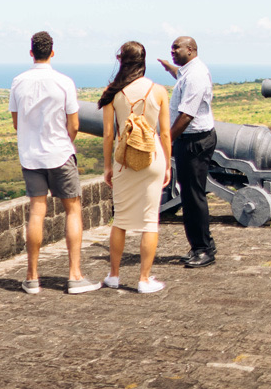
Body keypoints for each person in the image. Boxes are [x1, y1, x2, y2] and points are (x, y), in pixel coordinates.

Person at [9, 30, 100, 294]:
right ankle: (74, 276)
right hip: (60, 153)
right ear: (52, 51)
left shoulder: (18, 82)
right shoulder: (64, 82)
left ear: (31, 53)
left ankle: (31, 277)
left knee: (36, 212)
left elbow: (17, 123)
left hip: (31, 156)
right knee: (72, 210)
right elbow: (74, 123)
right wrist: (66, 141)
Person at [100, 41, 172, 293]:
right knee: (150, 220)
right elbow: (165, 134)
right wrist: (167, 166)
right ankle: (144, 279)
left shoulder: (112, 91)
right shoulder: (159, 90)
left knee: (120, 220)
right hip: (152, 158)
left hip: (123, 162)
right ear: (144, 61)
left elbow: (109, 135)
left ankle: (114, 275)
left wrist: (108, 167)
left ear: (121, 60)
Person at [158, 35, 216, 268]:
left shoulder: (196, 75)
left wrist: (167, 141)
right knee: (191, 195)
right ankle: (201, 245)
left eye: (176, 48)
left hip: (194, 140)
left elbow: (187, 115)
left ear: (191, 50)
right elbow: (181, 77)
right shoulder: (188, 72)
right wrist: (171, 68)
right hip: (191, 140)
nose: (172, 51)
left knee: (193, 197)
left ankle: (203, 249)